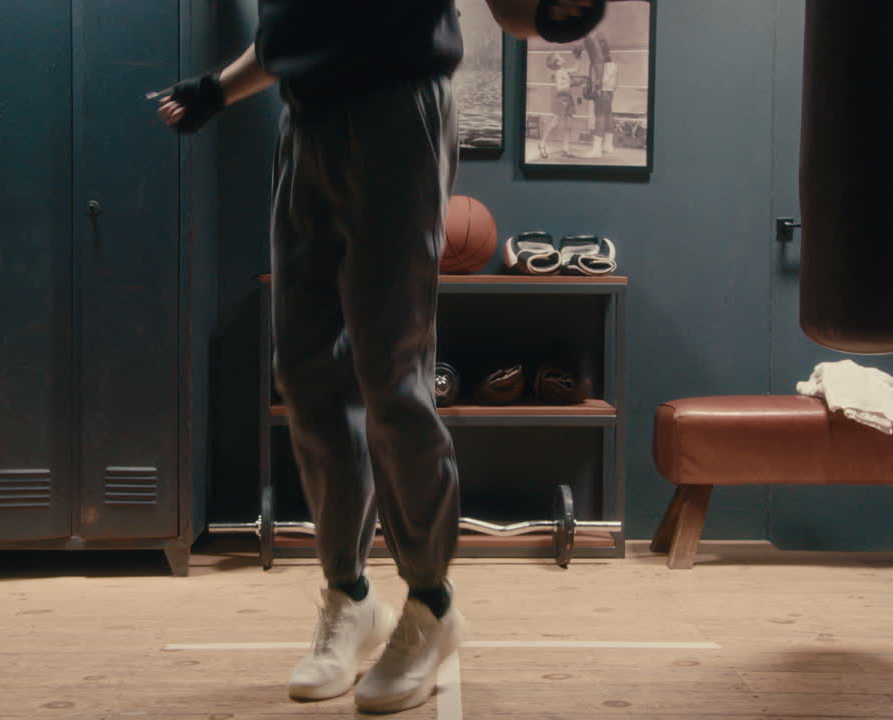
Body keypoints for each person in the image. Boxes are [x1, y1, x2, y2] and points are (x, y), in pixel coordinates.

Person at [156, 0, 605, 713]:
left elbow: (518, 16)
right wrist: (217, 90)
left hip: (399, 115)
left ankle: (430, 604)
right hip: (306, 124)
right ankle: (349, 595)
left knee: (391, 375)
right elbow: (298, 37)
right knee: (304, 376)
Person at [538, 51, 581, 158]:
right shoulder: (559, 73)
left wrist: (578, 57)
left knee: (569, 125)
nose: (563, 57)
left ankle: (565, 148)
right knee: (554, 123)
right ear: (558, 63)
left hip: (569, 99)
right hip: (561, 99)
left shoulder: (564, 70)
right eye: (560, 57)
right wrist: (571, 84)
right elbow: (558, 88)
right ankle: (542, 144)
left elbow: (576, 69)